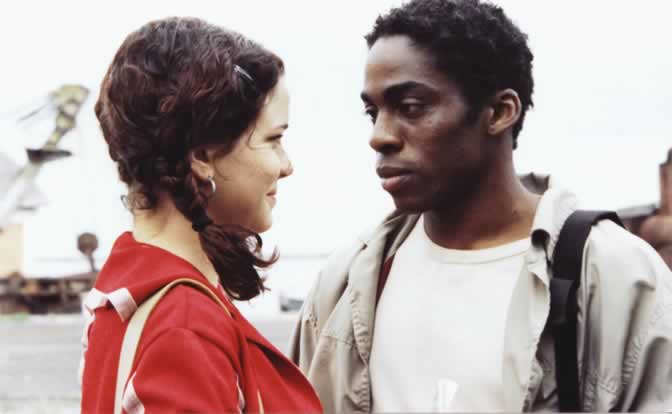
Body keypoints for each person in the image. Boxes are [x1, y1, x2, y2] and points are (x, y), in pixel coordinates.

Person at [289, 0, 672, 412]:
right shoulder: (347, 283)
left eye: (410, 108)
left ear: (500, 112)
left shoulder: (616, 275)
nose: (379, 136)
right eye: (372, 112)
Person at [79, 17, 322, 413]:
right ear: (201, 156)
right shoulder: (184, 325)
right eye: (274, 139)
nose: (286, 165)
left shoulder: (124, 292)